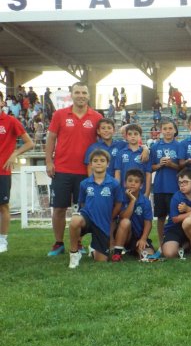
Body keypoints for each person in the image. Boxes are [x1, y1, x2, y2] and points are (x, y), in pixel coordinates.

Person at [46, 82, 103, 256]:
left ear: (88, 95)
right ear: (71, 94)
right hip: (62, 169)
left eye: (84, 92)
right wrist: (49, 161)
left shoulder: (97, 117)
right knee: (59, 208)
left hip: (86, 172)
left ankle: (78, 243)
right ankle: (58, 243)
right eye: (77, 92)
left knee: (83, 209)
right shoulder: (60, 114)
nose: (80, 95)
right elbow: (51, 138)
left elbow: (107, 137)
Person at [68, 149, 123, 268]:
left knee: (101, 260)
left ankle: (93, 250)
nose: (99, 163)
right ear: (91, 164)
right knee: (75, 220)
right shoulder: (84, 183)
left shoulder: (114, 184)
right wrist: (87, 214)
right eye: (95, 161)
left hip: (102, 223)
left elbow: (118, 204)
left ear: (108, 164)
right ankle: (74, 253)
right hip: (88, 218)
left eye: (102, 160)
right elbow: (82, 203)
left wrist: (110, 217)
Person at [0, 99, 34, 253]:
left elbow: (29, 143)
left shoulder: (10, 121)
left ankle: (2, 240)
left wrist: (14, 153)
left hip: (2, 171)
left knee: (3, 206)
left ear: (2, 103)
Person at [156, 168, 191, 260]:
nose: (182, 185)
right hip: (174, 229)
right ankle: (185, 245)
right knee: (169, 254)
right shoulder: (177, 197)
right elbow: (175, 219)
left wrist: (188, 210)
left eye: (185, 182)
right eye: (180, 183)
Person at [112, 169, 154, 262]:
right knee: (125, 222)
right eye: (130, 181)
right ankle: (117, 254)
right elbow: (124, 217)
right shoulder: (121, 197)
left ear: (141, 185)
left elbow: (148, 223)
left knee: (148, 256)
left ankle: (134, 250)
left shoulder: (145, 201)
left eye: (136, 182)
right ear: (124, 183)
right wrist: (132, 201)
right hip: (125, 235)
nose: (133, 183)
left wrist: (143, 239)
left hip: (139, 236)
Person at [150, 119, 181, 245]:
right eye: (165, 129)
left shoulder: (179, 146)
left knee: (176, 216)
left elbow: (183, 167)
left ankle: (177, 241)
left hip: (175, 187)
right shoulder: (155, 146)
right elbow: (151, 167)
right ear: (161, 131)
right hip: (159, 187)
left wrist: (171, 164)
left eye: (170, 128)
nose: (168, 131)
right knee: (161, 217)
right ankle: (161, 243)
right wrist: (160, 165)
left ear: (174, 130)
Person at [114, 124, 152, 198]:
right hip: (124, 192)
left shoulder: (145, 154)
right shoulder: (120, 153)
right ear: (126, 137)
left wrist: (147, 192)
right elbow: (117, 173)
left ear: (140, 136)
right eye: (130, 134)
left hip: (141, 192)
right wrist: (117, 191)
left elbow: (148, 174)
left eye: (135, 134)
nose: (133, 136)